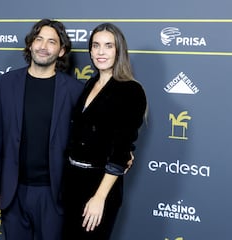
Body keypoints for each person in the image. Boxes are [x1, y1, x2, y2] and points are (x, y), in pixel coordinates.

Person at [0, 19, 84, 240]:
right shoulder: (7, 83)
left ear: (62, 50)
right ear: (30, 45)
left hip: (54, 195)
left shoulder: (75, 91)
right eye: (39, 39)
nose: (43, 46)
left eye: (51, 42)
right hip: (13, 192)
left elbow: (87, 139)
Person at [62, 23, 147, 240]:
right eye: (96, 45)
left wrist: (99, 198)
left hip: (99, 187)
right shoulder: (90, 84)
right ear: (90, 50)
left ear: (119, 51)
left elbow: (120, 152)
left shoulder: (131, 90)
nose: (101, 52)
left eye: (108, 46)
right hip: (72, 182)